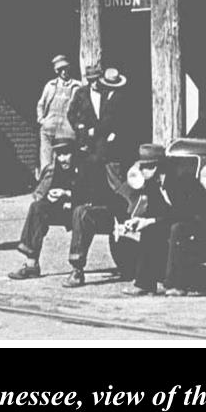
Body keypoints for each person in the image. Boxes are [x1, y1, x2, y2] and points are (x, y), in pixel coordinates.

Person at [63, 66, 133, 287]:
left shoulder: (114, 96)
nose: (96, 83)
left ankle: (118, 205)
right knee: (91, 173)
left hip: (108, 144)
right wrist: (82, 130)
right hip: (90, 143)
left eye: (98, 80)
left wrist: (107, 133)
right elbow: (72, 113)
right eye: (92, 80)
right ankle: (93, 197)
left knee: (113, 176)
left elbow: (115, 120)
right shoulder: (82, 93)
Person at [118, 143, 206, 296]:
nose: (141, 171)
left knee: (177, 229)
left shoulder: (180, 177)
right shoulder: (153, 183)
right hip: (177, 217)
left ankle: (176, 284)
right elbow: (156, 211)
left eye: (143, 167)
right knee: (150, 229)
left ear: (154, 168)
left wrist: (152, 221)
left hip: (200, 220)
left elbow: (185, 212)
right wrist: (140, 220)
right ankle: (144, 283)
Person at [8, 139, 77, 280]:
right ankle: (31, 264)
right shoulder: (56, 167)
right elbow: (48, 190)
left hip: (80, 207)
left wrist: (67, 194)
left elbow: (90, 191)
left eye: (66, 154)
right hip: (64, 207)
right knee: (37, 208)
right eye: (59, 154)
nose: (62, 158)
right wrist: (51, 196)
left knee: (81, 213)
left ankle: (78, 270)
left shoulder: (85, 164)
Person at [36, 54, 81, 183]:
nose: (64, 72)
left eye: (66, 69)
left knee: (66, 158)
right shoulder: (50, 85)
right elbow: (41, 104)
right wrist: (41, 120)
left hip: (67, 127)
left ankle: (65, 185)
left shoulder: (76, 86)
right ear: (57, 71)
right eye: (61, 70)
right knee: (46, 158)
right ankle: (45, 187)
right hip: (49, 126)